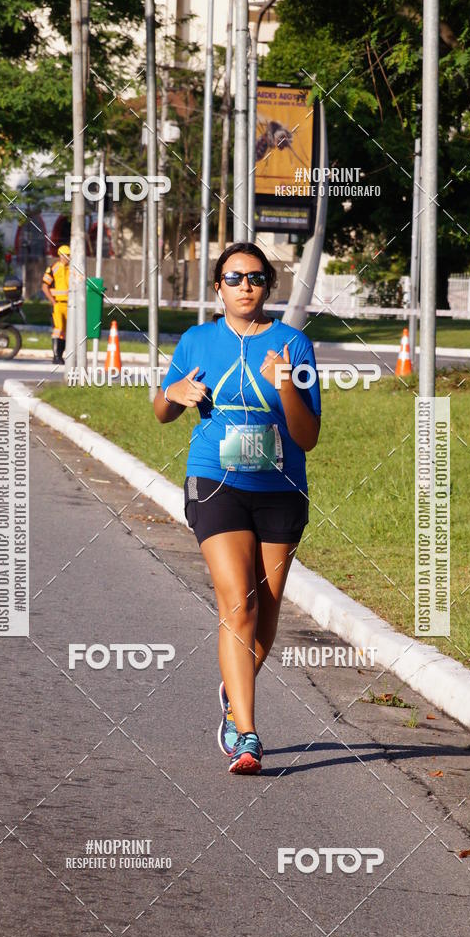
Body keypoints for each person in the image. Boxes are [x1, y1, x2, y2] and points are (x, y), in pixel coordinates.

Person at [154, 242, 321, 774]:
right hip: (215, 481)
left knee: (267, 612)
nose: (244, 286)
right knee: (239, 604)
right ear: (218, 287)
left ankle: (233, 688)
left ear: (269, 285)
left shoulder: (293, 344)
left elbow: (308, 435)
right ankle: (245, 734)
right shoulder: (197, 340)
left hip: (280, 489)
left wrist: (284, 386)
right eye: (233, 278)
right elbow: (162, 410)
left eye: (254, 277)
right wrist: (173, 392)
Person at [42, 244, 70, 364]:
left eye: (68, 255)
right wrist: (53, 302)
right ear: (60, 256)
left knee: (67, 331)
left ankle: (61, 356)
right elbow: (44, 287)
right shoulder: (53, 268)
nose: (67, 258)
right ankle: (56, 356)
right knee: (58, 330)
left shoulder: (73, 269)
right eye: (64, 255)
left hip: (70, 306)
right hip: (58, 304)